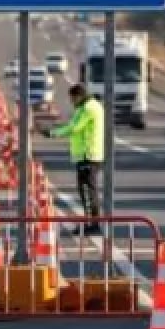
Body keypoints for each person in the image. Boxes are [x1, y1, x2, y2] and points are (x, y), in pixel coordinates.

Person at [43, 83, 104, 232]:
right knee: (86, 191)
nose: (71, 103)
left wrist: (52, 133)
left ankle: (92, 224)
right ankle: (90, 222)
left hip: (87, 155)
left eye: (72, 99)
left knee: (87, 191)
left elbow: (74, 127)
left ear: (79, 96)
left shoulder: (88, 108)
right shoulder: (89, 106)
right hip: (87, 155)